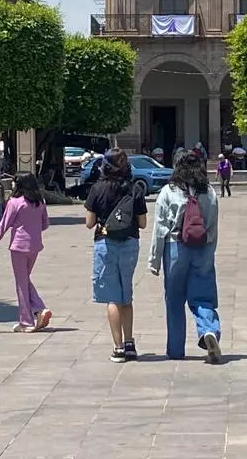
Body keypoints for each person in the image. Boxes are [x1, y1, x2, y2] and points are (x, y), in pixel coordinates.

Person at [148, 152, 222, 363]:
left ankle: (175, 349)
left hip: (175, 248)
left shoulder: (168, 192)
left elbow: (160, 228)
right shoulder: (208, 192)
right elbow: (213, 225)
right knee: (203, 296)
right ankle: (208, 330)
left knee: (174, 300)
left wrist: (154, 260)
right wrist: (211, 251)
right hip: (203, 247)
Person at [85, 149, 149, 363]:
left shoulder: (97, 188)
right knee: (126, 296)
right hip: (130, 243)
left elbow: (89, 223)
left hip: (105, 243)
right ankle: (130, 343)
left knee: (113, 298)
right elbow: (142, 223)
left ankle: (118, 348)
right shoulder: (135, 188)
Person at [0, 172, 53, 333]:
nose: (12, 185)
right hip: (35, 246)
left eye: (15, 182)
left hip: (19, 246)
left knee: (21, 283)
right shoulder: (40, 202)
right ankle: (38, 310)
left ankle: (28, 320)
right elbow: (45, 224)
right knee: (25, 279)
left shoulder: (14, 202)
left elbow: (3, 227)